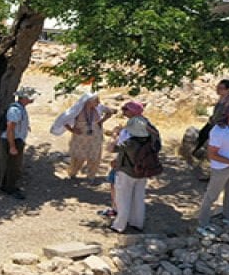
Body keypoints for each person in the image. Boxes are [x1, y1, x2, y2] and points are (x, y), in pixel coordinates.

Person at [198, 104, 229, 233]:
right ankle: (202, 225)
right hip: (222, 168)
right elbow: (212, 154)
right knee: (211, 197)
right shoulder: (218, 131)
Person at [109, 101, 153, 233]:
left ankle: (119, 225)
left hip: (127, 167)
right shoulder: (148, 126)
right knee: (138, 196)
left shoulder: (130, 129)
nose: (123, 112)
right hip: (143, 167)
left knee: (123, 197)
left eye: (126, 109)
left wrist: (115, 136)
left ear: (133, 112)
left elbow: (117, 148)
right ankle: (137, 222)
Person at [50, 92, 115, 180]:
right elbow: (64, 120)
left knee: (94, 156)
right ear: (89, 101)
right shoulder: (77, 110)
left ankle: (91, 176)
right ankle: (73, 173)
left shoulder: (98, 108)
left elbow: (109, 112)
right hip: (80, 138)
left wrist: (101, 121)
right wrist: (72, 130)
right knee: (78, 157)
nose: (98, 102)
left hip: (95, 137)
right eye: (96, 100)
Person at [193, 78, 229, 179]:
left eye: (221, 88)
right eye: (218, 87)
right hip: (213, 126)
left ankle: (218, 176)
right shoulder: (221, 99)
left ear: (228, 90)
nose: (218, 89)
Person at [0, 86, 38, 200]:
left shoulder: (20, 108)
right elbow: (10, 128)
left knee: (12, 165)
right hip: (14, 140)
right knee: (14, 166)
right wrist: (12, 146)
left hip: (16, 139)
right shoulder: (15, 110)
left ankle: (6, 186)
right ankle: (10, 188)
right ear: (25, 98)